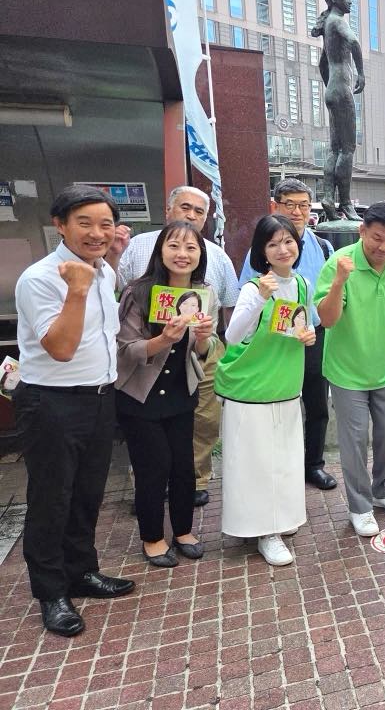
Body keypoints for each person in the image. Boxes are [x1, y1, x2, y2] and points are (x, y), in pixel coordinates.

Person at [14, 185, 135, 637]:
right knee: (51, 498)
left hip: (100, 398)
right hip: (52, 401)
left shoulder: (102, 270)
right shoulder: (42, 278)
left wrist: (104, 269)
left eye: (105, 223)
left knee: (88, 492)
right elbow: (61, 349)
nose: (96, 232)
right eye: (84, 222)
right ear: (60, 225)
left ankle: (82, 572)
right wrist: (77, 291)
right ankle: (51, 592)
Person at [109, 185, 240, 507]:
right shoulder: (138, 246)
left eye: (199, 211)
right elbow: (112, 288)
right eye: (185, 207)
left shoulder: (215, 255)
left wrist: (216, 341)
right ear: (168, 210)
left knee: (204, 421)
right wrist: (113, 255)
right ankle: (149, 488)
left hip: (198, 351)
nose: (191, 215)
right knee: (148, 433)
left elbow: (229, 304)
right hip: (145, 353)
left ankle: (194, 481)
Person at [315, 201, 385, 538]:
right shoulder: (340, 263)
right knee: (355, 439)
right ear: (362, 231)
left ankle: (383, 489)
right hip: (347, 370)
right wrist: (338, 283)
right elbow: (327, 319)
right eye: (377, 238)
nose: (384, 248)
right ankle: (359, 506)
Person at [216, 215, 317, 566]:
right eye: (272, 244)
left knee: (285, 459)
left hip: (286, 386)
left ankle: (282, 519)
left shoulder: (303, 284)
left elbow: (302, 329)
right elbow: (232, 335)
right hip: (251, 389)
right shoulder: (253, 287)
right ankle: (264, 532)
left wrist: (309, 336)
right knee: (255, 463)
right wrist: (259, 298)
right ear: (261, 252)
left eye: (288, 241)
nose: (282, 249)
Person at [115, 221, 215, 568]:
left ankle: (184, 531)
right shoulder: (138, 292)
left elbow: (205, 350)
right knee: (152, 467)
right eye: (174, 246)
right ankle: (153, 537)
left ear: (201, 254)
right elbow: (126, 349)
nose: (182, 254)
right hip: (140, 396)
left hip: (179, 391)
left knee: (184, 466)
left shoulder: (204, 293)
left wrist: (203, 337)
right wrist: (164, 340)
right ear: (160, 250)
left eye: (191, 248)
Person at [239, 179, 337, 491]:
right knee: (280, 406)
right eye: (289, 205)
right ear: (275, 206)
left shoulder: (323, 247)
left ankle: (314, 465)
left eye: (303, 205)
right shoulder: (262, 249)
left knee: (317, 404)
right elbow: (248, 296)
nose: (297, 211)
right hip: (274, 342)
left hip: (312, 336)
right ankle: (282, 466)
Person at [313, 0, 365, 221]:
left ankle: (327, 197)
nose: (350, 0)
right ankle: (344, 202)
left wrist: (330, 87)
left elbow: (322, 65)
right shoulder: (338, 22)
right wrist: (361, 73)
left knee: (335, 149)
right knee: (348, 149)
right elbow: (355, 43)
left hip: (333, 88)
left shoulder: (328, 26)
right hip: (341, 89)